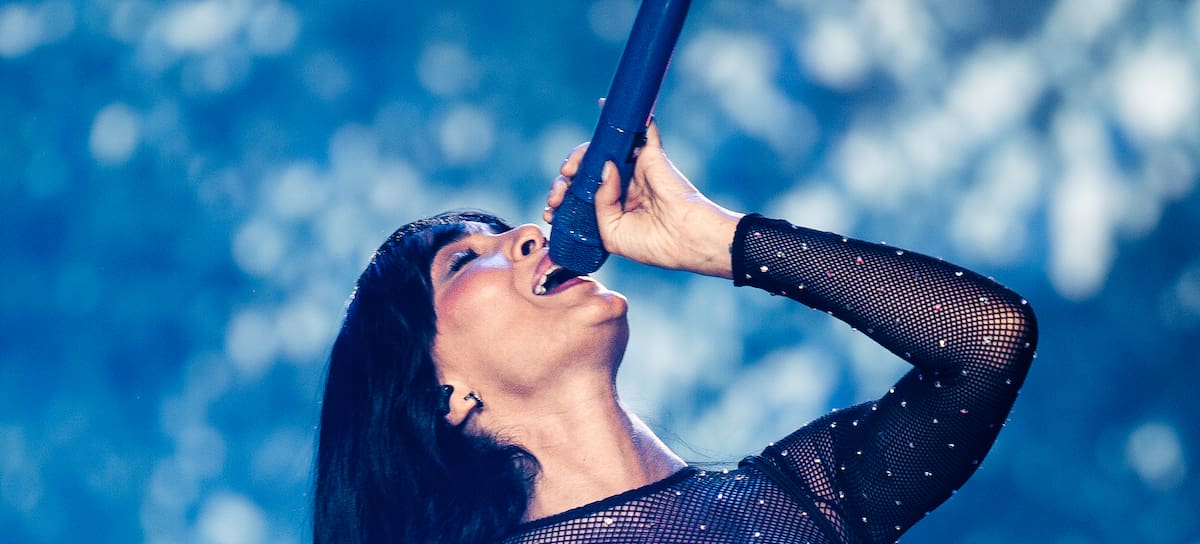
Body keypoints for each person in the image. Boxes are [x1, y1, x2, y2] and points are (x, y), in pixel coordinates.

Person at [313, 119, 1038, 544]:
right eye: (463, 261)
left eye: (504, 232)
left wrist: (718, 240)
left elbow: (989, 340)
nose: (529, 234)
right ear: (444, 397)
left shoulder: (793, 501)